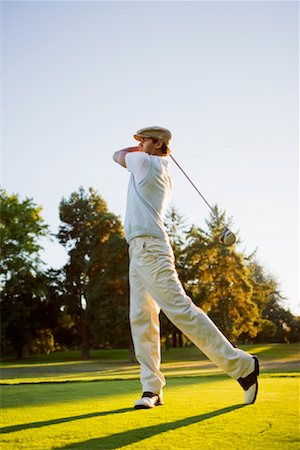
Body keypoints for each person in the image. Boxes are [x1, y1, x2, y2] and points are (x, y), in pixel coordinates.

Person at [113, 126, 259, 409]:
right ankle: (151, 388)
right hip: (140, 249)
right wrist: (147, 148)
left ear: (157, 143)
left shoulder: (144, 162)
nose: (139, 144)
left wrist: (134, 150)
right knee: (141, 318)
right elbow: (129, 156)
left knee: (180, 309)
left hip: (149, 249)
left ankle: (241, 365)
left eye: (143, 140)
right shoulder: (158, 165)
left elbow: (116, 155)